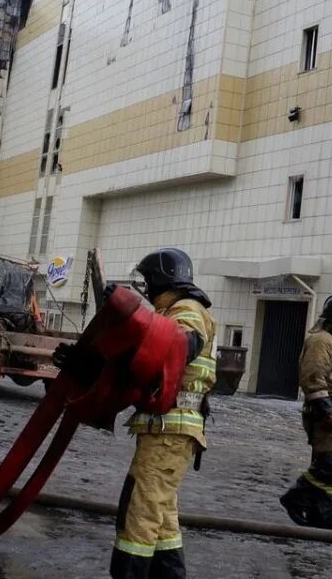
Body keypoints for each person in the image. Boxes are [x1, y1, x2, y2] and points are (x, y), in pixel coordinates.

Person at [109, 248, 216, 579]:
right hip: (167, 434)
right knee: (162, 516)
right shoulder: (173, 311)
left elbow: (178, 344)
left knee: (138, 513)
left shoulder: (187, 310)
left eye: (147, 281)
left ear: (160, 279)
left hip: (169, 433)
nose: (145, 288)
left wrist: (133, 326)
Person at [280, 294, 332, 531]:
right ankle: (295, 498)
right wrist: (325, 409)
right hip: (325, 412)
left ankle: (322, 515)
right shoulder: (322, 341)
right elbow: (313, 376)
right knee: (331, 464)